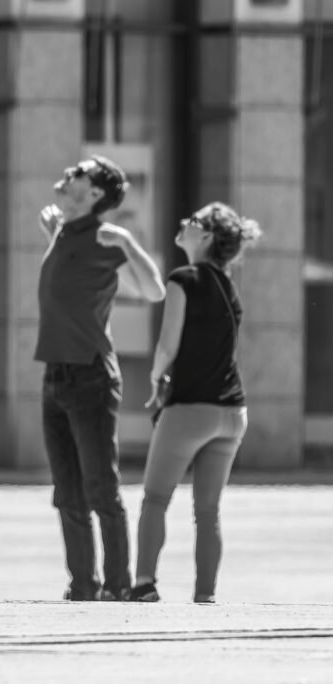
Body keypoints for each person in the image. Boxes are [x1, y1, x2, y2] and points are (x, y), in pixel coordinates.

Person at [35, 156, 166, 601]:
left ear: (93, 194)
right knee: (66, 492)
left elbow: (153, 291)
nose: (68, 174)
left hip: (90, 375)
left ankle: (118, 585)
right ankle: (83, 585)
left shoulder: (107, 238)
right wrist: (55, 233)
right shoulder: (63, 232)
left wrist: (128, 242)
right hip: (55, 373)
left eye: (80, 173)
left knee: (100, 490)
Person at [130, 202, 261, 603]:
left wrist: (156, 378)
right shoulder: (227, 285)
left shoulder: (183, 278)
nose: (183, 222)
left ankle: (144, 585)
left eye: (193, 221)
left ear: (205, 236)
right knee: (208, 510)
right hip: (232, 413)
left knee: (155, 498)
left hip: (190, 409)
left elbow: (167, 346)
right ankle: (205, 595)